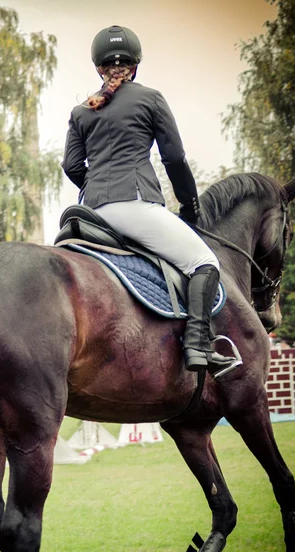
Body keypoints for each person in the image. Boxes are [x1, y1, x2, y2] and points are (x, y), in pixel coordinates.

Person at [62, 25, 239, 377]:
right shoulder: (150, 98)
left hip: (91, 213)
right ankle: (198, 345)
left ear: (99, 67)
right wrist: (190, 207)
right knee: (204, 261)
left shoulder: (82, 111)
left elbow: (71, 165)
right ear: (135, 64)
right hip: (136, 204)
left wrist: (96, 186)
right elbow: (174, 159)